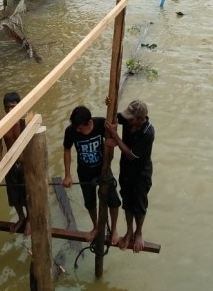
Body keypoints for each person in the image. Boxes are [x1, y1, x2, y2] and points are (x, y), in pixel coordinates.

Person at [63, 106, 121, 245]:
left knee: (114, 201)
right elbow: (67, 150)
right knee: (90, 203)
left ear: (89, 123)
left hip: (103, 169)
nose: (77, 130)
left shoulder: (101, 123)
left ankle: (113, 229)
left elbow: (115, 132)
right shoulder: (71, 130)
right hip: (84, 171)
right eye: (76, 127)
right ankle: (95, 227)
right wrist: (67, 175)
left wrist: (111, 142)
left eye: (80, 128)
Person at [105, 99, 154, 253]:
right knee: (127, 201)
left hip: (141, 173)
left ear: (140, 119)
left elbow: (131, 155)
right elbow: (115, 116)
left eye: (131, 118)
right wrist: (110, 104)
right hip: (126, 170)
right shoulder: (128, 120)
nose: (127, 120)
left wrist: (115, 136)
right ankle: (129, 231)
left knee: (139, 205)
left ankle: (138, 232)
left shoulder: (148, 132)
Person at [0, 91, 29, 235]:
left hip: (25, 163)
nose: (10, 110)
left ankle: (30, 220)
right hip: (10, 163)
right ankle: (21, 218)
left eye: (13, 107)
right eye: (7, 107)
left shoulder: (25, 121)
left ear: (19, 106)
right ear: (4, 108)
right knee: (14, 195)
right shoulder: (0, 122)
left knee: (28, 194)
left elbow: (34, 141)